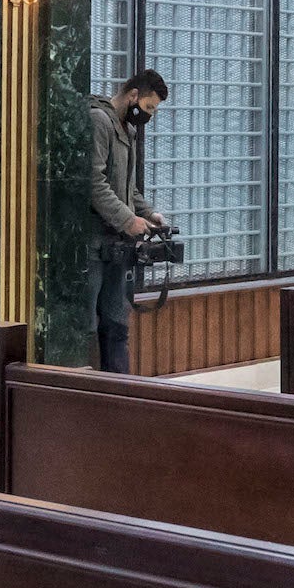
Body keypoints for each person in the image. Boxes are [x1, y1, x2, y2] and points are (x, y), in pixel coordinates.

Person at [86, 69, 172, 375]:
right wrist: (127, 220)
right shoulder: (99, 121)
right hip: (94, 245)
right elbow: (94, 184)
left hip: (117, 246)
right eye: (148, 107)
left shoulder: (128, 130)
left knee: (117, 323)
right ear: (133, 95)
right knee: (87, 327)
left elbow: (127, 188)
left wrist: (148, 214)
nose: (148, 115)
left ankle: (121, 395)